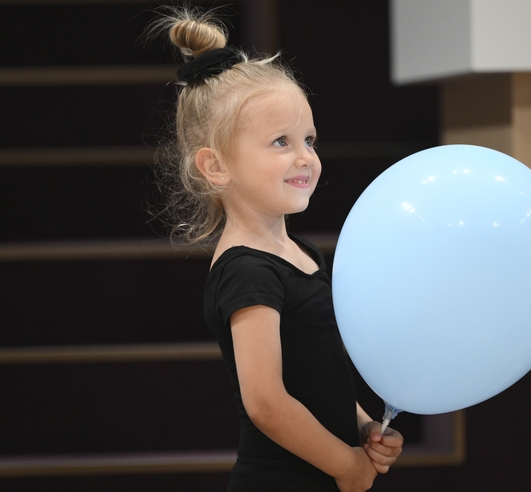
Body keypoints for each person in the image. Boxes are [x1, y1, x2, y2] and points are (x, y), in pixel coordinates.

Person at [149, 7, 403, 491]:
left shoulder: (304, 252)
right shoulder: (247, 272)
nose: (305, 156)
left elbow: (319, 378)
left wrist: (364, 428)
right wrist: (344, 464)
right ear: (216, 166)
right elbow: (267, 402)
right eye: (281, 142)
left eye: (309, 139)